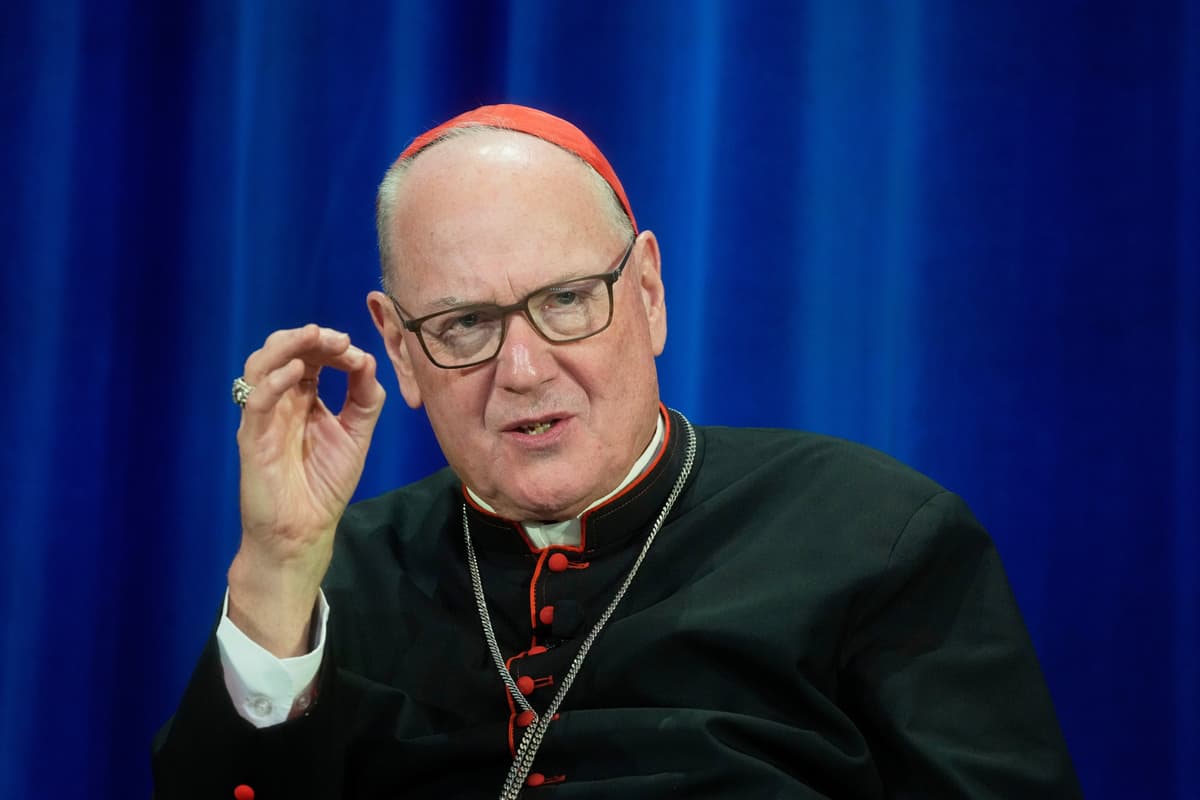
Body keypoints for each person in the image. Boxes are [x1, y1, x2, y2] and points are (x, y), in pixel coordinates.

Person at [153, 104, 1081, 798]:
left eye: (565, 301)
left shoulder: (877, 537)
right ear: (400, 348)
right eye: (466, 323)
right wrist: (277, 566)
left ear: (648, 294)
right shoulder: (329, 582)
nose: (523, 370)